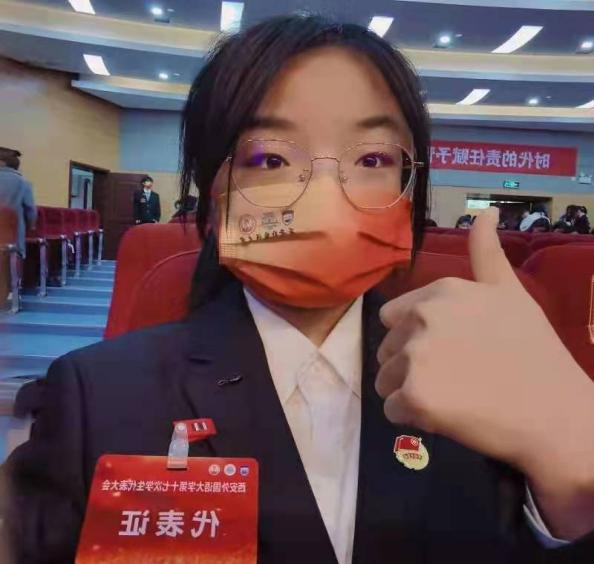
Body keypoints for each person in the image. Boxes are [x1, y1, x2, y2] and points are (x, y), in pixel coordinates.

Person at [2, 15, 593, 564]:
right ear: (210, 188)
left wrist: (575, 461)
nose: (326, 196)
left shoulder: (488, 380)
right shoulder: (96, 394)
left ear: (412, 187)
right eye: (268, 159)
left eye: (372, 158)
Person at [0, 148, 37, 258]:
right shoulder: (24, 182)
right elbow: (30, 209)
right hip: (13, 233)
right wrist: (31, 226)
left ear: (2, 163)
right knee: (13, 259)